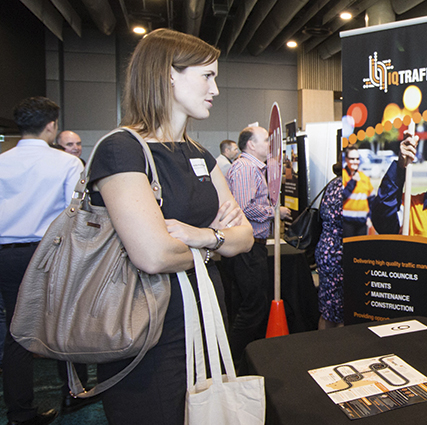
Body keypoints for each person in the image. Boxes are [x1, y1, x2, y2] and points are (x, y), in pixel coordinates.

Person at [87, 29, 253, 424]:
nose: (215, 88)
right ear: (167, 76)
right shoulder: (122, 149)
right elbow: (154, 254)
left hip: (206, 309)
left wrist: (200, 236)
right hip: (146, 324)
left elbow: (245, 236)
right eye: (207, 76)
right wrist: (218, 241)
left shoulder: (199, 153)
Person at [0, 96, 82, 425]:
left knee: (16, 333)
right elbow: (72, 217)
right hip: (49, 253)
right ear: (51, 126)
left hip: (6, 255)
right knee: (62, 323)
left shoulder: (1, 161)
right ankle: (73, 392)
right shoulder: (66, 164)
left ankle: (20, 412)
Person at [224, 125, 291, 364]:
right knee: (253, 306)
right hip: (247, 246)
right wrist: (275, 211)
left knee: (248, 304)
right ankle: (236, 360)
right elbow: (244, 207)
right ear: (250, 144)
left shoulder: (252, 168)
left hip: (251, 246)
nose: (270, 145)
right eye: (265, 140)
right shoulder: (245, 168)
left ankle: (240, 358)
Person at [316, 163, 345, 329]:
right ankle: (336, 352)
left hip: (327, 248)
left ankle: (322, 350)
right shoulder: (346, 186)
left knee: (328, 309)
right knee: (340, 312)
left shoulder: (333, 183)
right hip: (338, 252)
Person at [341, 146, 373, 237]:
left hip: (362, 222)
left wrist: (370, 217)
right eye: (352, 159)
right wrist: (352, 182)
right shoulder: (343, 176)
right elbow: (342, 196)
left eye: (357, 159)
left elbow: (371, 200)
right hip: (346, 222)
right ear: (346, 160)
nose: (355, 161)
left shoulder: (364, 177)